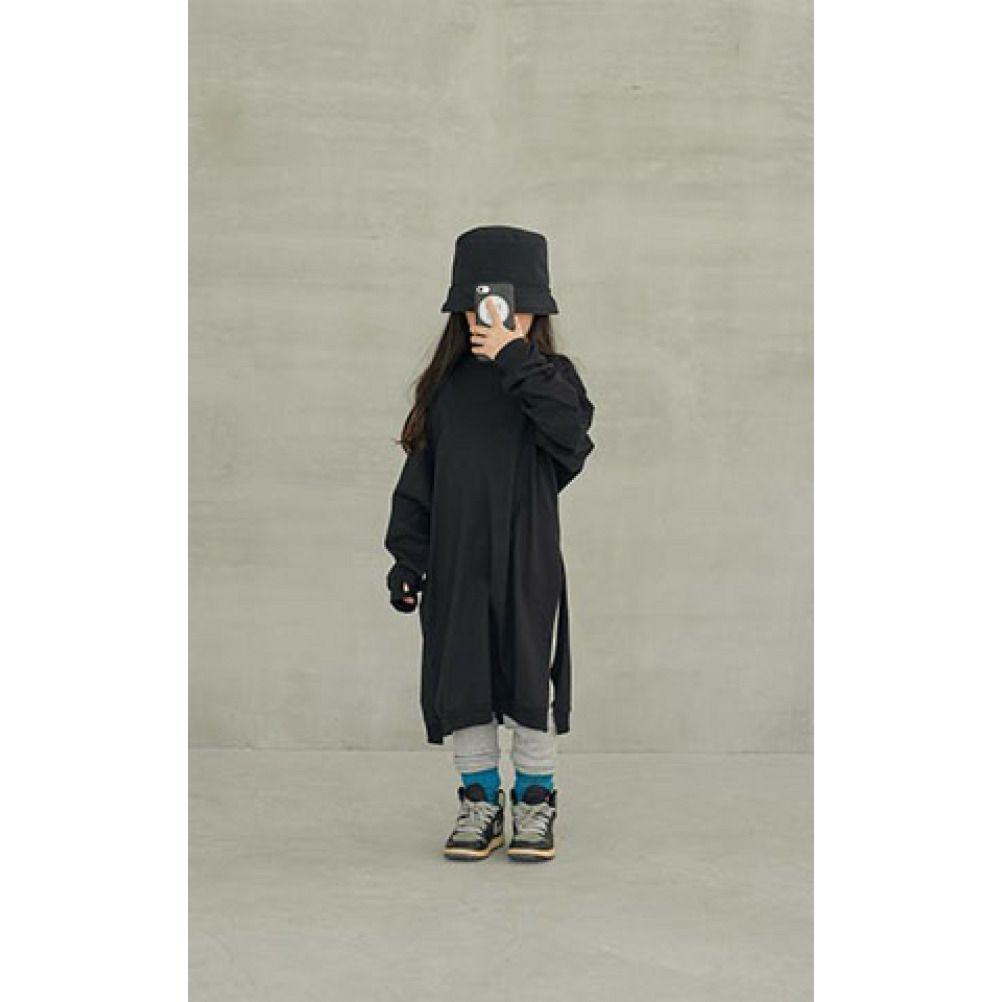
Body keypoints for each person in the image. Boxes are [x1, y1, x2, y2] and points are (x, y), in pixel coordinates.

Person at [383, 225, 596, 861]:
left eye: (516, 309)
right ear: (464, 311)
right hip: (457, 562)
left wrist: (515, 358)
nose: (502, 320)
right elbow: (419, 480)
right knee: (465, 677)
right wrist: (408, 558)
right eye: (489, 308)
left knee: (529, 676)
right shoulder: (447, 389)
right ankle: (479, 800)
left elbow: (572, 439)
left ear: (537, 314)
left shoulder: (550, 381)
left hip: (527, 561)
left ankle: (534, 799)